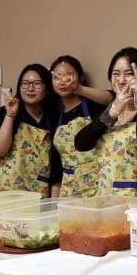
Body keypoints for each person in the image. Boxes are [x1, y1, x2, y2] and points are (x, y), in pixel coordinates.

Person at [75, 47, 137, 200]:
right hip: (105, 202)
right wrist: (110, 113)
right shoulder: (107, 114)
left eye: (129, 74)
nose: (121, 80)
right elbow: (81, 143)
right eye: (116, 74)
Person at [0, 64, 55, 197]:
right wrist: (10, 115)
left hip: (35, 190)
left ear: (48, 89)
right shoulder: (4, 112)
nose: (30, 88)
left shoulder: (53, 117)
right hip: (1, 188)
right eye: (25, 83)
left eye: (37, 83)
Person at [49, 55, 114, 198]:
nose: (63, 81)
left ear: (81, 78)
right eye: (57, 77)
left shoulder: (94, 106)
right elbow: (56, 167)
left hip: (97, 187)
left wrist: (78, 89)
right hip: (68, 190)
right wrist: (53, 203)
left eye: (69, 75)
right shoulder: (55, 117)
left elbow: (113, 98)